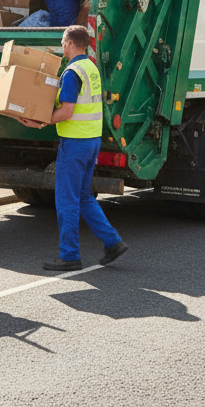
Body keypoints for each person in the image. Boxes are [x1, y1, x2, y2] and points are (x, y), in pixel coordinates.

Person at [18, 25, 127, 271]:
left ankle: (69, 256)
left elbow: (67, 111)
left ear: (69, 43)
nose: (61, 44)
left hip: (75, 144)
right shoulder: (91, 68)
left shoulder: (71, 72)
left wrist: (41, 121)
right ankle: (112, 241)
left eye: (62, 41)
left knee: (67, 199)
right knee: (83, 196)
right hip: (91, 142)